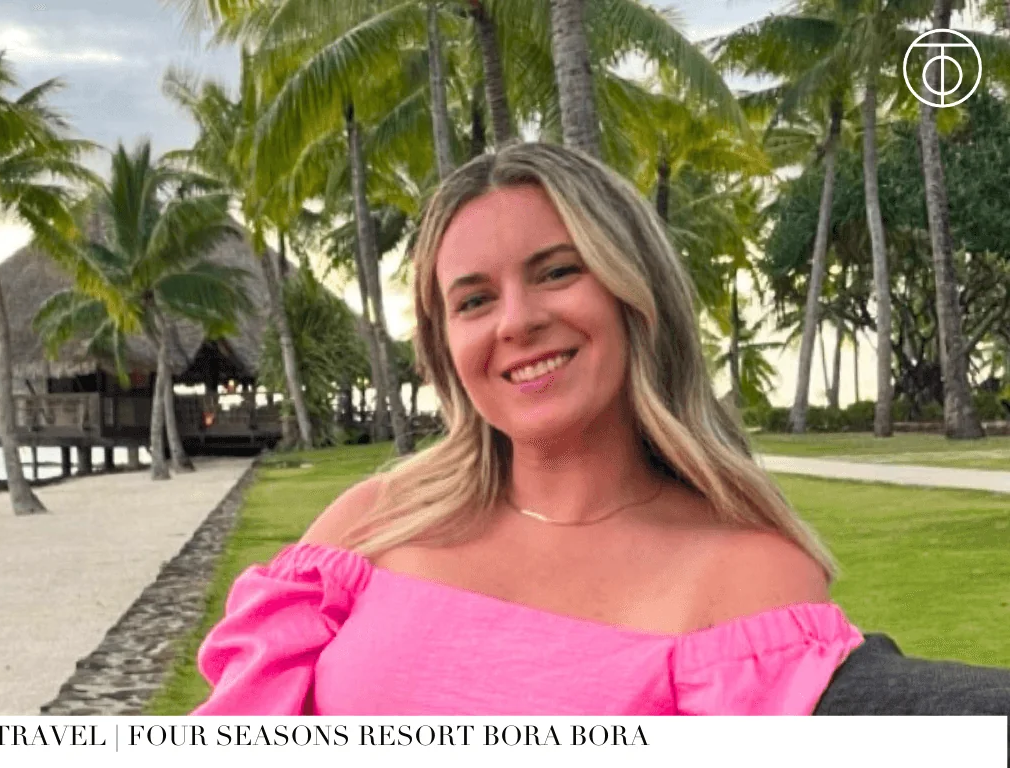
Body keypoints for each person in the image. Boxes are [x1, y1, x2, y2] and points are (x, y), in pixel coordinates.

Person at [190, 142, 865, 716]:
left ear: (637, 291)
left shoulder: (751, 577)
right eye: (475, 300)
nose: (516, 322)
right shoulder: (368, 527)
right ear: (445, 343)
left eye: (559, 271)